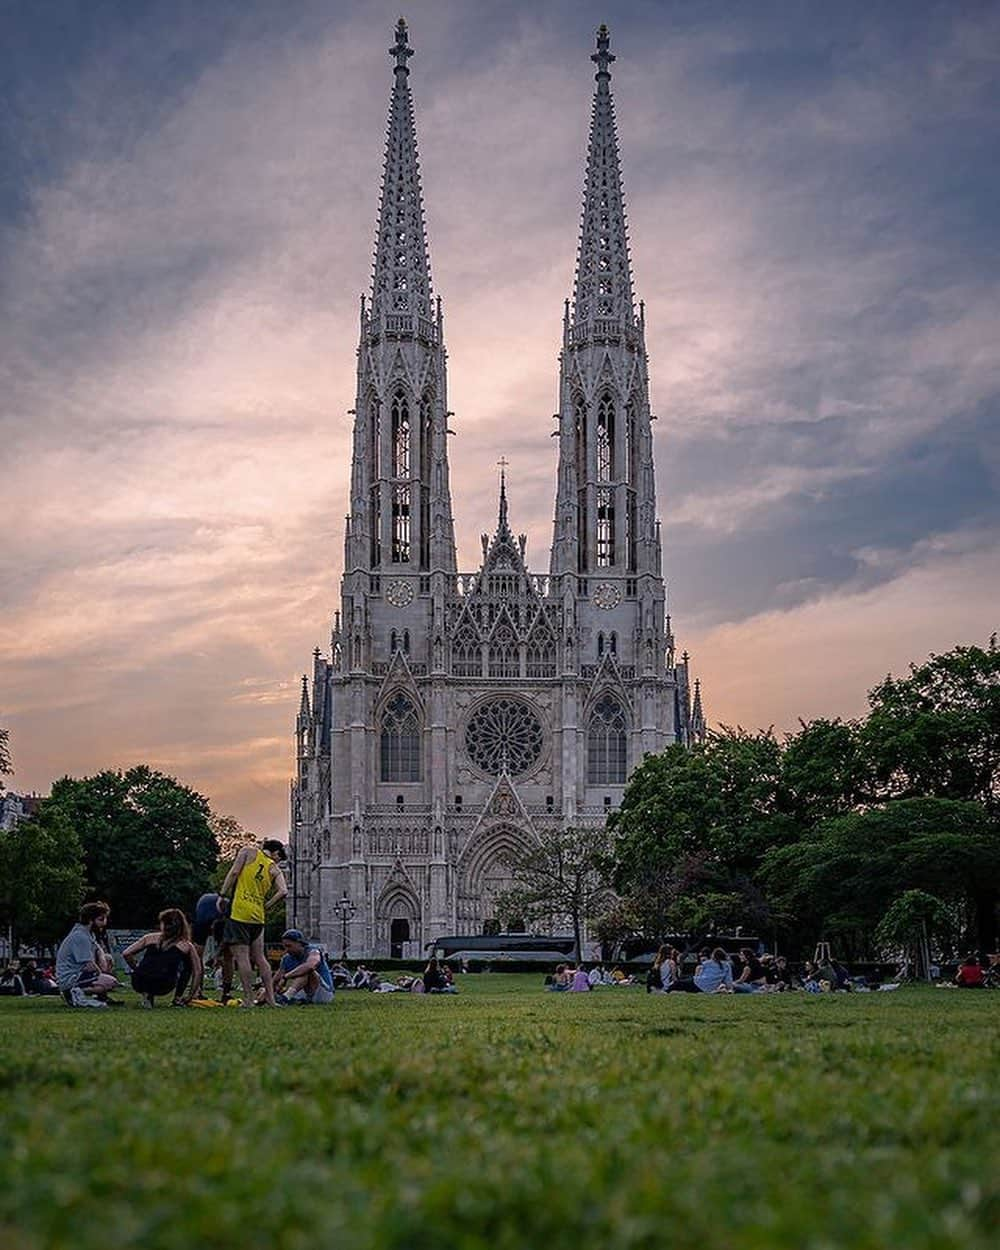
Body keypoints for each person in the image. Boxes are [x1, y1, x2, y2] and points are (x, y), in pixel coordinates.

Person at [219, 839, 288, 1008]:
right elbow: (283, 891)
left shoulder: (247, 852)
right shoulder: (274, 868)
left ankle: (249, 1000)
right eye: (279, 858)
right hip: (258, 915)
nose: (277, 861)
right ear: (276, 852)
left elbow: (234, 872)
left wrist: (222, 894)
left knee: (242, 958)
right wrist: (266, 905)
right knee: (261, 958)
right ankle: (271, 1000)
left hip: (240, 912)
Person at [122, 909, 201, 1007]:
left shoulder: (149, 938)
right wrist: (190, 995)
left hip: (139, 980)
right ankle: (178, 998)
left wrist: (136, 968)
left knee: (151, 969)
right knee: (187, 967)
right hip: (164, 983)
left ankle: (147, 995)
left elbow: (126, 953)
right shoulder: (186, 945)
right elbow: (197, 971)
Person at [56, 901, 122, 1007]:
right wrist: (102, 976)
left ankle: (101, 996)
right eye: (101, 919)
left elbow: (97, 949)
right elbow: (89, 965)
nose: (104, 923)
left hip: (78, 975)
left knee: (107, 958)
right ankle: (70, 993)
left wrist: (101, 957)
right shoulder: (80, 937)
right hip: (71, 978)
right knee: (111, 982)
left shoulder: (87, 934)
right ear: (90, 920)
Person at [190, 891, 232, 1000]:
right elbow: (196, 948)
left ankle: (226, 993)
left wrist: (217, 955)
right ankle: (197, 990)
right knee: (197, 956)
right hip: (203, 918)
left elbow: (225, 941)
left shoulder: (229, 913)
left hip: (221, 920)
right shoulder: (203, 915)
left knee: (227, 957)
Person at [273, 929, 334, 1005]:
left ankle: (286, 998)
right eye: (285, 947)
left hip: (323, 992)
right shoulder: (286, 958)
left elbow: (311, 965)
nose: (287, 950)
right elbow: (277, 979)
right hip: (304, 992)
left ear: (299, 943)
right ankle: (288, 998)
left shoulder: (313, 951)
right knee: (274, 990)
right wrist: (268, 991)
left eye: (289, 946)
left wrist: (286, 977)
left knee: (306, 971)